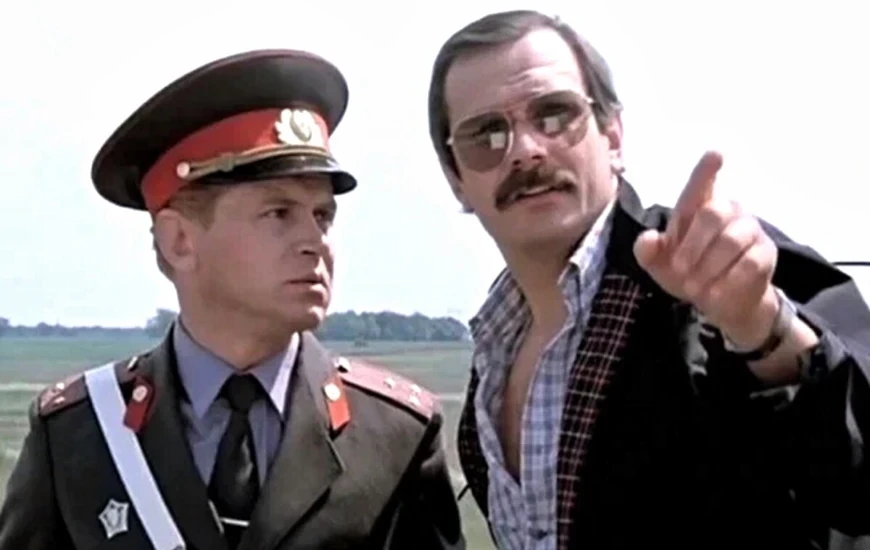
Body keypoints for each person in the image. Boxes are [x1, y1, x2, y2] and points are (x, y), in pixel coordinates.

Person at [428, 10, 870, 550]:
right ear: (456, 179)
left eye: (553, 114)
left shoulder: (719, 270)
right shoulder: (495, 355)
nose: (525, 150)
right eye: (486, 134)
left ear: (613, 136)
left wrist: (765, 331)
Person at [0, 49, 465, 550]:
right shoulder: (79, 433)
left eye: (323, 216)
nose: (315, 241)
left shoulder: (393, 435)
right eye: (279, 213)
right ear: (179, 241)